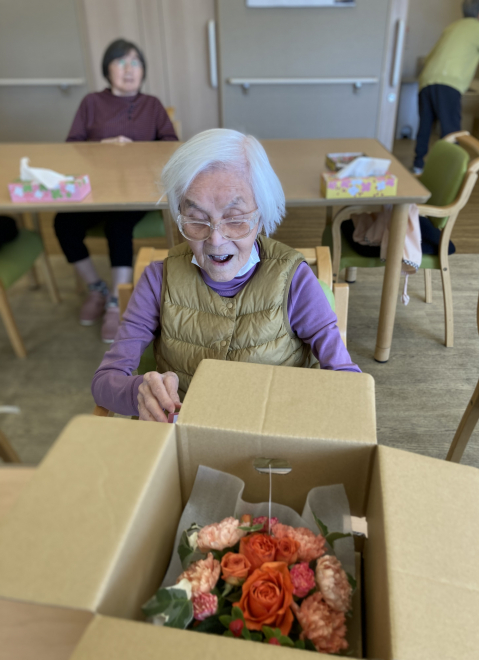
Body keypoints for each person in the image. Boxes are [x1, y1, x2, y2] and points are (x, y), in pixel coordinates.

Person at [92, 129, 361, 421]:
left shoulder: (294, 279)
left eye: (235, 219)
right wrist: (139, 393)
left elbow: (346, 380)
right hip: (185, 433)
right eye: (196, 219)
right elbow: (105, 382)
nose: (216, 239)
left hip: (272, 430)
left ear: (261, 216)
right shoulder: (158, 280)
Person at [54, 39, 177, 343]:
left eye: (135, 62)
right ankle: (96, 287)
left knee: (118, 226)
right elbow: (71, 147)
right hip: (95, 191)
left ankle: (115, 300)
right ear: (107, 70)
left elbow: (171, 146)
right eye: (121, 62)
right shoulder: (91, 102)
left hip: (138, 190)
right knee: (63, 223)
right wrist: (100, 147)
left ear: (143, 70)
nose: (129, 69)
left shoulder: (152, 105)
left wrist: (137, 150)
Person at [413, 0, 479, 174]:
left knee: (425, 125)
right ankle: (449, 173)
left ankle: (418, 165)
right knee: (451, 131)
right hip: (448, 82)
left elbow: (430, 57)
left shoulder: (451, 27)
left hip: (427, 80)